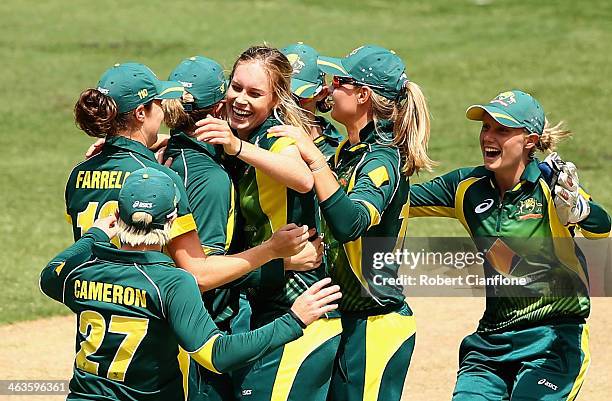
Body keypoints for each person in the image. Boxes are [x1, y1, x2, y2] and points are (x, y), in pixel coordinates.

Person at [40, 167, 341, 401]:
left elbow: (49, 275)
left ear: (117, 216)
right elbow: (217, 355)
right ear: (172, 222)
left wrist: (94, 236)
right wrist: (294, 320)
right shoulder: (171, 283)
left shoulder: (82, 271)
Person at [407, 90, 611, 400]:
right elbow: (398, 202)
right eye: (486, 127)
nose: (489, 137)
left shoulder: (551, 188)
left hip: (553, 340)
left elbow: (601, 228)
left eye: (502, 129)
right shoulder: (467, 188)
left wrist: (580, 211)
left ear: (530, 140)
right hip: (491, 344)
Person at [268, 44, 434, 401]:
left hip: (376, 322)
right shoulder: (348, 151)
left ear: (363, 95)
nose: (329, 86)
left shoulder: (382, 160)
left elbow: (351, 223)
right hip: (348, 319)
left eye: (340, 80)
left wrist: (313, 158)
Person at [67, 62, 311, 293]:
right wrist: (275, 256)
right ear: (141, 113)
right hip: (149, 309)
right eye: (159, 104)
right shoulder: (162, 178)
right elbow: (197, 273)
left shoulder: (78, 173)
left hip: (95, 302)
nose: (164, 112)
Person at [162, 55, 322, 400]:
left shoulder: (277, 136)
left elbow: (302, 178)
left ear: (276, 99)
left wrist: (238, 147)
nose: (241, 100)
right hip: (260, 287)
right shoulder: (225, 136)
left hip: (290, 296)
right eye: (236, 88)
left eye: (254, 93)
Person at [280, 42, 343, 162]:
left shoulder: (335, 148)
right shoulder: (257, 132)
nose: (286, 102)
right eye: (278, 93)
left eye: (296, 96)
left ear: (321, 94)